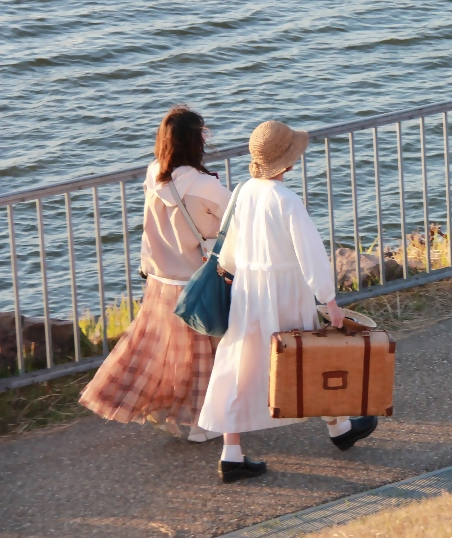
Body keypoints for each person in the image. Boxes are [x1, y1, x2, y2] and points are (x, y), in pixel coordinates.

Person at [197, 120, 378, 483]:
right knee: (309, 358)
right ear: (289, 163)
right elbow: (310, 253)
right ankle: (339, 427)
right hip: (286, 289)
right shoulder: (288, 201)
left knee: (241, 364)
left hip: (249, 289)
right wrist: (329, 299)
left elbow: (228, 246)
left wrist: (236, 273)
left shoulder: (244, 191)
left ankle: (232, 454)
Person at [80, 105, 231, 443]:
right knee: (204, 354)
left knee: (161, 353)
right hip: (195, 281)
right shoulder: (206, 186)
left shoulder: (154, 175)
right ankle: (201, 424)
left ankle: (167, 412)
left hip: (160, 280)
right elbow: (236, 223)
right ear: (196, 141)